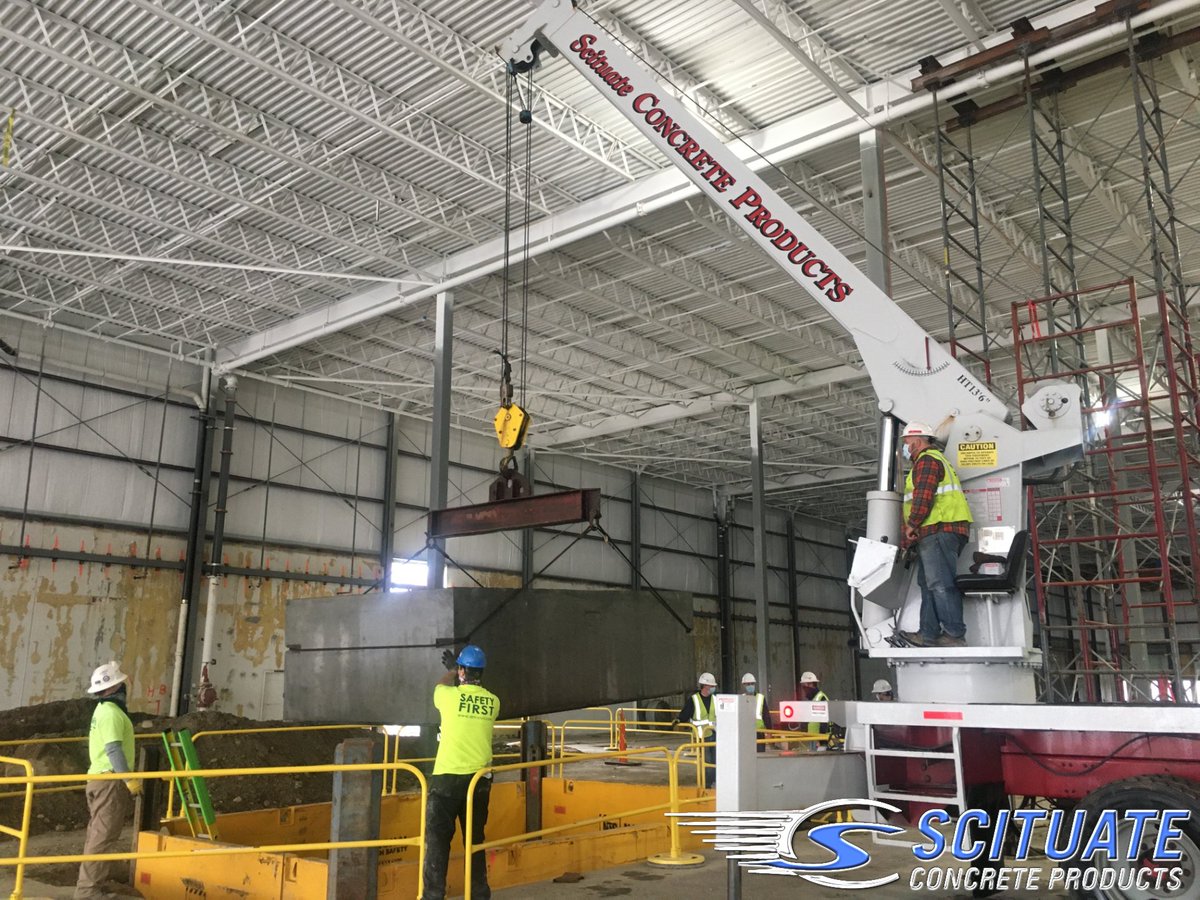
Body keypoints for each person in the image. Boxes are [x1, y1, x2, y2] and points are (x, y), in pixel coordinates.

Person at [421, 645, 500, 900]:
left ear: (463, 671)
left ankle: (433, 896)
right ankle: (478, 894)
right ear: (484, 673)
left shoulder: (448, 697)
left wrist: (452, 671)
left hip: (447, 781)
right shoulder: (493, 702)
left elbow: (439, 685)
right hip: (479, 782)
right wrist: (462, 670)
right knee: (474, 842)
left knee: (437, 842)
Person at [898, 420, 973, 648]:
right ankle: (928, 634)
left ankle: (954, 634)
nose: (905, 448)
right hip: (936, 531)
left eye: (907, 442)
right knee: (928, 583)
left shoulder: (927, 461)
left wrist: (911, 525)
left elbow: (923, 496)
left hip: (941, 529)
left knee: (939, 583)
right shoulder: (935, 461)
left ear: (918, 442)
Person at [76, 661, 139, 900]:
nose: (125, 686)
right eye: (122, 683)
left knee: (98, 837)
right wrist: (129, 780)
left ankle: (90, 887)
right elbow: (114, 750)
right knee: (102, 839)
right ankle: (88, 893)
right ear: (115, 687)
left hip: (100, 779)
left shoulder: (102, 710)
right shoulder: (112, 713)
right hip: (109, 782)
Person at [673, 672, 717, 788]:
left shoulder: (716, 699)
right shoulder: (694, 699)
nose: (713, 688)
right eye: (711, 686)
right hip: (703, 735)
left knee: (717, 760)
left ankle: (715, 782)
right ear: (705, 686)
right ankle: (708, 785)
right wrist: (678, 719)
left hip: (716, 734)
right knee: (708, 761)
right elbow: (686, 712)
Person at [740, 673, 773, 752]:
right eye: (748, 684)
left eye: (752, 684)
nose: (750, 686)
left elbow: (766, 716)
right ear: (744, 685)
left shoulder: (760, 698)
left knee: (759, 755)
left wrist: (769, 731)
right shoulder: (740, 698)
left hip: (759, 732)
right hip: (746, 733)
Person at [797, 671, 830, 746]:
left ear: (811, 684)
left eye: (805, 686)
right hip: (813, 738)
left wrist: (821, 739)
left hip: (820, 740)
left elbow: (824, 721)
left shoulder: (821, 698)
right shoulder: (812, 699)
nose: (804, 689)